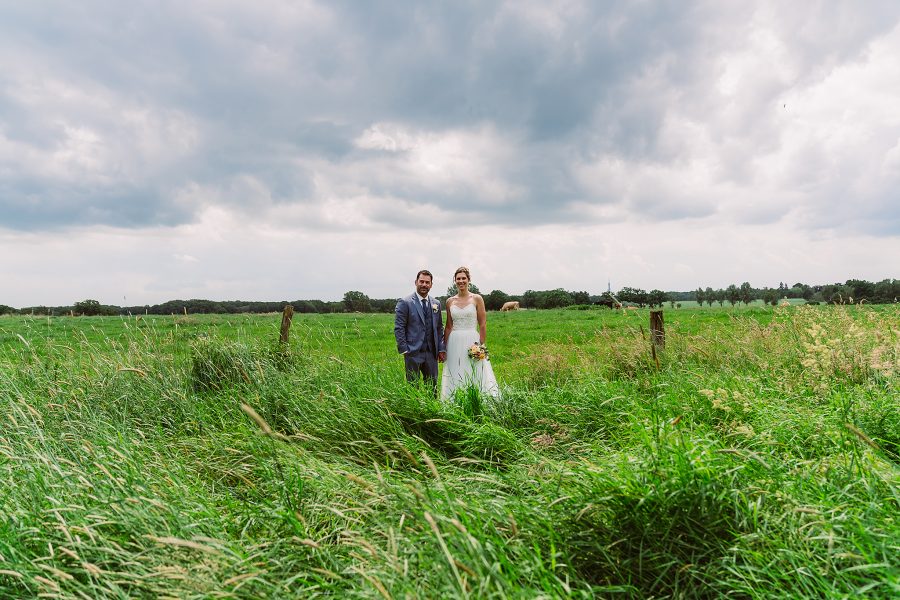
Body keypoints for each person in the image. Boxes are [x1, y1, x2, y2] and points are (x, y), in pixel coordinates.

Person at [441, 266, 500, 401]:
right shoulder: (450, 301)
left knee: (475, 370)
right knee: (455, 370)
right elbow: (449, 326)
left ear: (469, 280)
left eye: (463, 278)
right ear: (454, 281)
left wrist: (481, 345)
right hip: (454, 341)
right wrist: (444, 347)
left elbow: (483, 324)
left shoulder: (477, 298)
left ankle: (477, 400)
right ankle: (455, 400)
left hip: (472, 340)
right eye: (458, 279)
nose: (461, 281)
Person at [394, 269, 446, 396]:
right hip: (412, 352)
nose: (424, 285)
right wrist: (404, 349)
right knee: (413, 388)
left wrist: (441, 349)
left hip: (431, 353)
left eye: (427, 282)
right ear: (416, 282)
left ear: (431, 285)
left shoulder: (436, 303)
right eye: (421, 281)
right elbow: (399, 327)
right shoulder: (405, 302)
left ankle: (432, 414)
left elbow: (439, 327)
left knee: (432, 388)